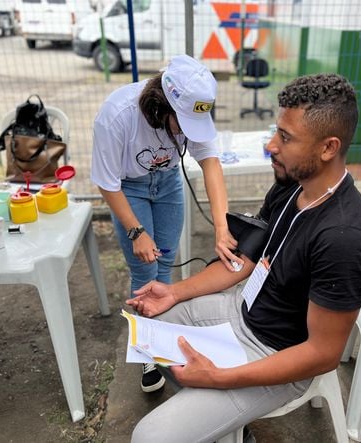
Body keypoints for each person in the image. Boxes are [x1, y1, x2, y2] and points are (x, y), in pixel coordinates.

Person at [127, 73, 361, 442]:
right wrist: (176, 292)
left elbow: (323, 354)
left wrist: (219, 377)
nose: (270, 146)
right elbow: (244, 261)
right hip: (244, 310)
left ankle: (218, 408)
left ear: (328, 148)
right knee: (150, 324)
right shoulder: (292, 185)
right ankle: (222, 420)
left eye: (286, 137)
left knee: (149, 437)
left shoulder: (345, 239)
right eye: (276, 132)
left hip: (276, 354)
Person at [91, 55, 238, 393]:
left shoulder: (193, 108)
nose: (188, 133)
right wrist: (136, 230)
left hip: (168, 182)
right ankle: (147, 351)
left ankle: (163, 336)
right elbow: (106, 182)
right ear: (160, 107)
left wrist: (220, 227)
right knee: (145, 270)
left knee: (165, 263)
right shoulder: (117, 117)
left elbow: (211, 164)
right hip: (129, 189)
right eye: (181, 124)